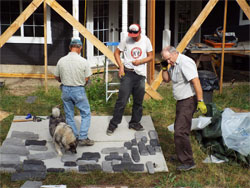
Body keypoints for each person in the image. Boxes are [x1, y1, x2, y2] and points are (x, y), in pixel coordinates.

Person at [161, 46, 207, 171]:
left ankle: (188, 162)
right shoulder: (174, 64)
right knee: (179, 129)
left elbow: (196, 82)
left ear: (175, 53)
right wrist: (164, 68)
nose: (168, 62)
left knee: (181, 131)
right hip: (181, 101)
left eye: (168, 59)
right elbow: (166, 79)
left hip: (188, 100)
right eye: (166, 60)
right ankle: (181, 155)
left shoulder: (185, 63)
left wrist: (200, 101)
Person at [106, 24, 153, 135]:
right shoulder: (126, 39)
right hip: (127, 73)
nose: (133, 37)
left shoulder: (146, 40)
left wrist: (140, 61)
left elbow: (151, 56)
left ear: (139, 32)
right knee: (122, 100)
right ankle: (113, 124)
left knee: (138, 100)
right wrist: (121, 66)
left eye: (135, 35)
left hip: (140, 74)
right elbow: (116, 53)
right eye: (132, 35)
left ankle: (134, 122)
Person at [54, 38, 94, 146]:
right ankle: (83, 137)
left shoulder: (61, 60)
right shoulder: (83, 61)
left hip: (65, 89)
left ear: (70, 47)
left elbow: (56, 77)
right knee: (85, 113)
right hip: (78, 90)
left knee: (69, 115)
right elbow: (87, 78)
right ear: (80, 47)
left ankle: (74, 137)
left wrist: (63, 80)